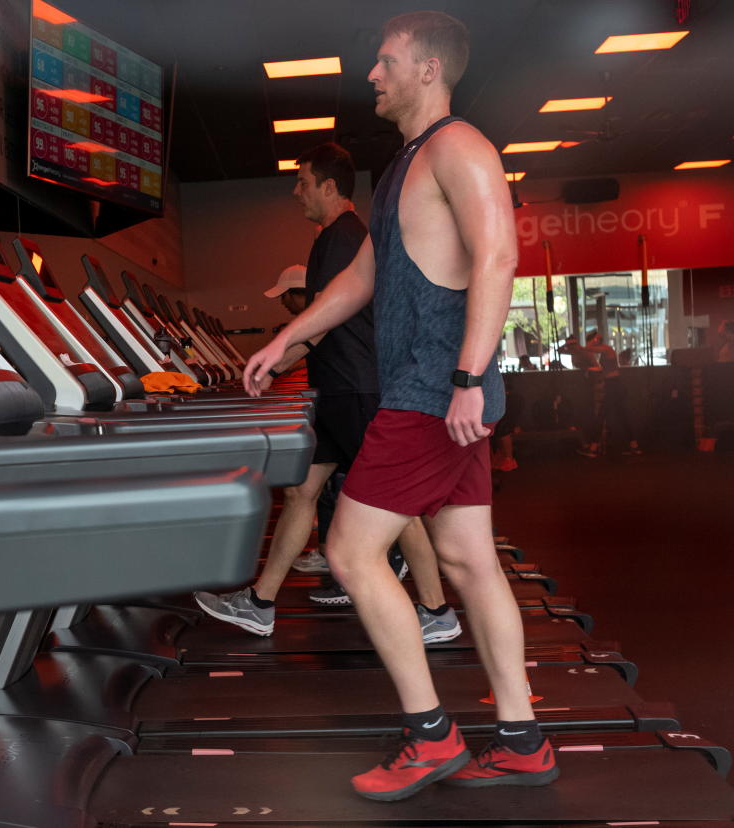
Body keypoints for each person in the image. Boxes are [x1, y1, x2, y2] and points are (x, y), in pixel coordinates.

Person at [242, 11, 556, 801]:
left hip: (433, 390)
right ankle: (521, 740)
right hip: (435, 388)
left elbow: (499, 255)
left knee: (350, 553)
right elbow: (359, 282)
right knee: (466, 561)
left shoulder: (461, 148)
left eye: (385, 63)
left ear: (427, 70)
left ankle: (431, 736)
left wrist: (467, 378)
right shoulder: (401, 170)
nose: (372, 76)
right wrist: (288, 340)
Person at [195, 142, 458, 645]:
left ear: (330, 187)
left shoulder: (341, 236)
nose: (297, 193)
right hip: (335, 389)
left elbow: (322, 319)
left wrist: (276, 360)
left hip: (355, 388)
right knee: (301, 492)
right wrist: (283, 362)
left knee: (394, 505)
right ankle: (261, 602)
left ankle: (436, 609)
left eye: (303, 183)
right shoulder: (338, 237)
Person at [579, 329, 641, 457]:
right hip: (614, 385)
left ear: (596, 340)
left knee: (602, 416)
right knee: (622, 416)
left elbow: (587, 348)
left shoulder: (607, 349)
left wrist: (594, 338)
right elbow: (603, 367)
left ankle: (593, 448)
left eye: (592, 340)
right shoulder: (605, 351)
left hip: (613, 386)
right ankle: (634, 446)